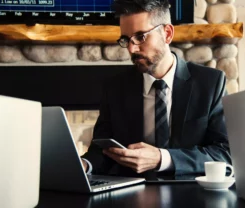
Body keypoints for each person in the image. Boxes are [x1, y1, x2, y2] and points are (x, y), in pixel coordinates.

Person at [81, 0, 231, 177]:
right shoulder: (114, 88)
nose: (131, 48)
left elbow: (224, 153)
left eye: (140, 36)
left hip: (190, 192)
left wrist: (163, 159)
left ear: (167, 34)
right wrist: (84, 164)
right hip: (132, 194)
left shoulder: (211, 83)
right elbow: (102, 149)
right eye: (126, 39)